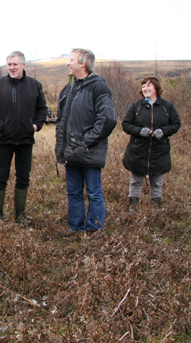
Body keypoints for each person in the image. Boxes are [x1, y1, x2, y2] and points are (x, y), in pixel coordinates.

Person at [55, 48, 117, 237]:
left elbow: (108, 118)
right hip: (71, 153)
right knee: (73, 193)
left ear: (83, 63)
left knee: (94, 193)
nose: (68, 63)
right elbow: (61, 121)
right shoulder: (68, 89)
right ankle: (75, 228)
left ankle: (94, 229)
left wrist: (86, 141)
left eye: (71, 59)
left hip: (89, 152)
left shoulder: (98, 87)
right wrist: (63, 146)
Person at [0, 51, 48, 222]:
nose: (11, 67)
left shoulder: (35, 85)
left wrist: (35, 126)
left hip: (26, 140)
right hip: (4, 140)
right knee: (0, 177)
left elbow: (42, 109)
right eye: (9, 64)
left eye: (15, 64)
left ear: (23, 65)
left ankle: (20, 215)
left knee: (23, 177)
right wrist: (0, 126)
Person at [122, 76, 181, 208]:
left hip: (159, 150)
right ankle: (133, 208)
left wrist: (164, 131)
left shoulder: (167, 107)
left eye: (148, 86)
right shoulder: (136, 106)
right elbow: (126, 124)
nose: (145, 88)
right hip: (138, 150)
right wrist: (140, 131)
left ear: (156, 88)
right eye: (143, 86)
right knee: (136, 181)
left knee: (157, 182)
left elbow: (176, 124)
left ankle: (156, 208)